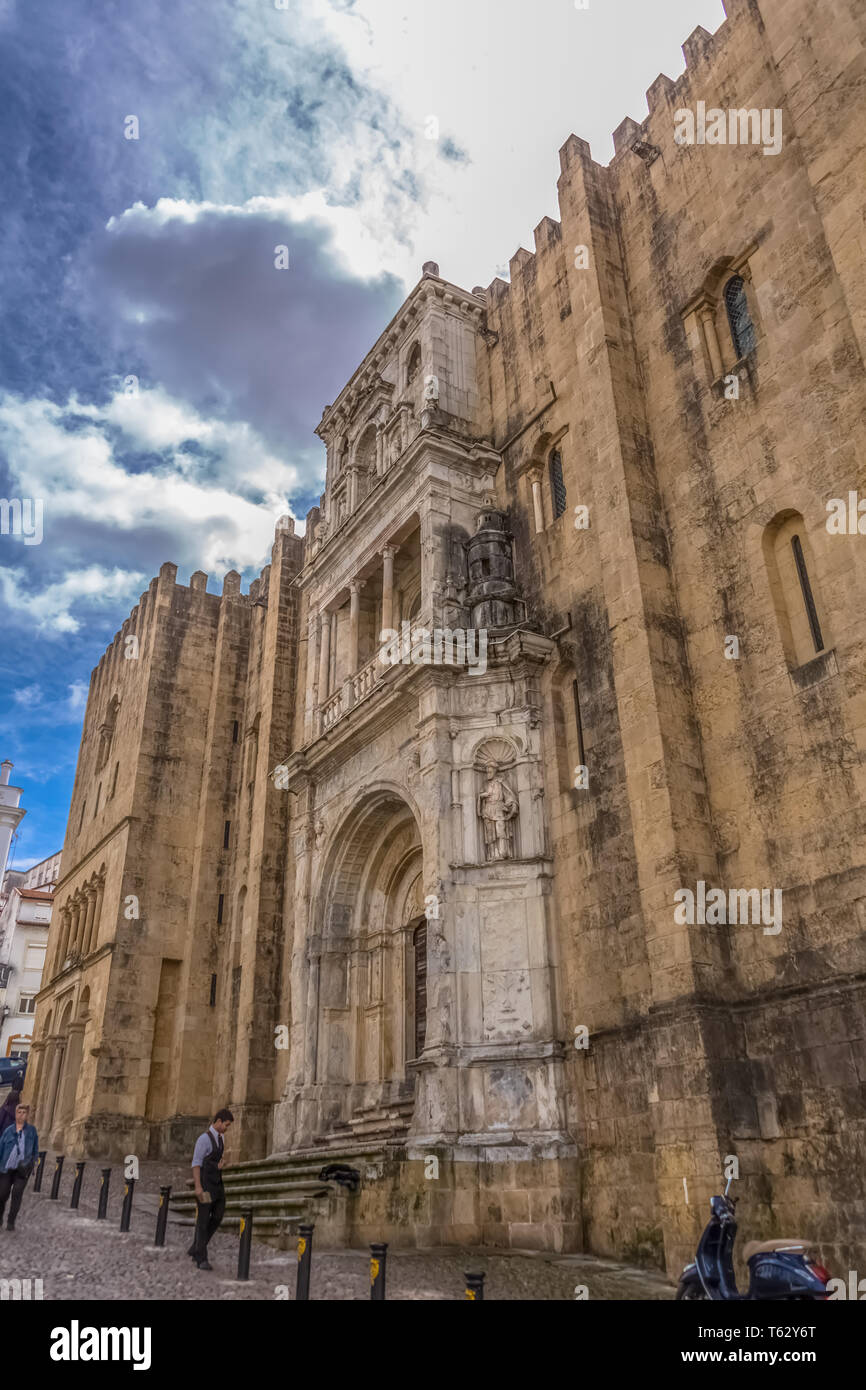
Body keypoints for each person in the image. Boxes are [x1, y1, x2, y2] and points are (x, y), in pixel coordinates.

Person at [188, 1108, 233, 1271]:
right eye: (226, 1125)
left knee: (219, 1215)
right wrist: (198, 1187)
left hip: (217, 1185)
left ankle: (196, 1247)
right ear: (219, 1121)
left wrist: (219, 1165)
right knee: (204, 1219)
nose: (227, 1128)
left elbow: (213, 1161)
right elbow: (196, 1163)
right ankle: (201, 1258)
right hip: (206, 1186)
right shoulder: (203, 1140)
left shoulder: (222, 1138)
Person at [0, 1102, 39, 1231]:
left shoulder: (32, 1131)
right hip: (6, 1168)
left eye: (24, 1113)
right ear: (16, 1114)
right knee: (2, 1194)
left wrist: (31, 1164)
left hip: (22, 1169)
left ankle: (11, 1221)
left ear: (27, 1115)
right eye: (19, 1112)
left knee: (17, 1193)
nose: (21, 1115)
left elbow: (35, 1150)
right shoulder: (8, 1131)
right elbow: (1, 1148)